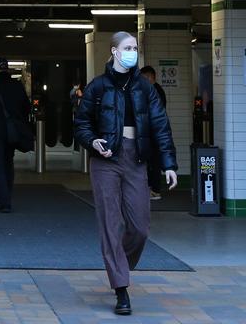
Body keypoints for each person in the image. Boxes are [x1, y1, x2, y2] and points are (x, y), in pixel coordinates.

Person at [74, 32, 178, 317]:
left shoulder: (145, 88)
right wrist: (92, 141)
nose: (132, 52)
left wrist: (169, 163)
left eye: (135, 47)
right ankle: (121, 288)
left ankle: (118, 262)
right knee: (110, 222)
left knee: (140, 226)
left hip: (136, 158)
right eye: (127, 47)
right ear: (114, 51)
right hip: (105, 159)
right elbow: (81, 123)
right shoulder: (98, 87)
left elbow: (160, 126)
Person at [0, 57, 30, 213]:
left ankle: (4, 202)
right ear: (7, 69)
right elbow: (26, 108)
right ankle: (8, 195)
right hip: (12, 132)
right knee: (8, 164)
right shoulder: (17, 86)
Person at [139, 65, 167, 201]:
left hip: (154, 133)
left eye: (144, 78)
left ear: (151, 77)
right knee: (150, 161)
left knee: (154, 161)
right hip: (152, 132)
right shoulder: (155, 90)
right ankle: (151, 188)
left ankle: (155, 190)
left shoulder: (155, 91)